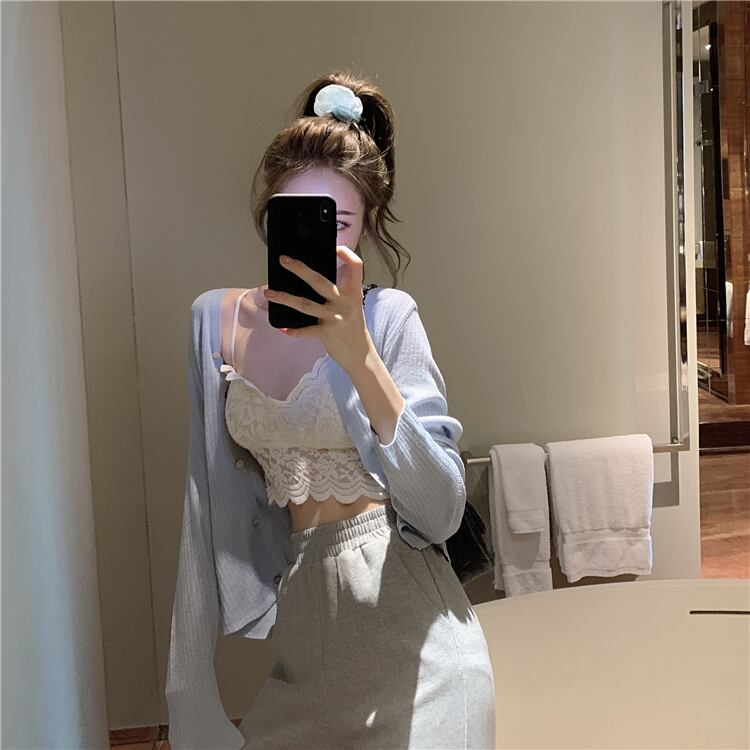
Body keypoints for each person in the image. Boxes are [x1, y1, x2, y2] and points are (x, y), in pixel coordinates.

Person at [166, 70, 496, 750]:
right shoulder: (214, 324)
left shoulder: (390, 318)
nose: (320, 240)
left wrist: (358, 356)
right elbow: (202, 515)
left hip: (423, 657)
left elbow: (440, 511)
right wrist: (189, 695)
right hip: (302, 659)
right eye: (298, 215)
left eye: (339, 224)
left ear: (366, 226)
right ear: (270, 213)